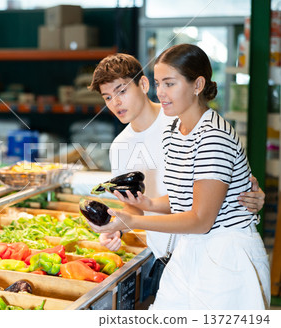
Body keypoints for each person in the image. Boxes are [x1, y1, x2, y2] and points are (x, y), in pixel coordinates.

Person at [88, 44, 270, 310]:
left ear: (197, 85)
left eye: (169, 83)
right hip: (184, 252)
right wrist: (145, 207)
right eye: (161, 83)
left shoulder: (208, 133)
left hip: (224, 257)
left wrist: (134, 220)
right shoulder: (176, 130)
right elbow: (184, 195)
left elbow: (201, 218)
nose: (162, 92)